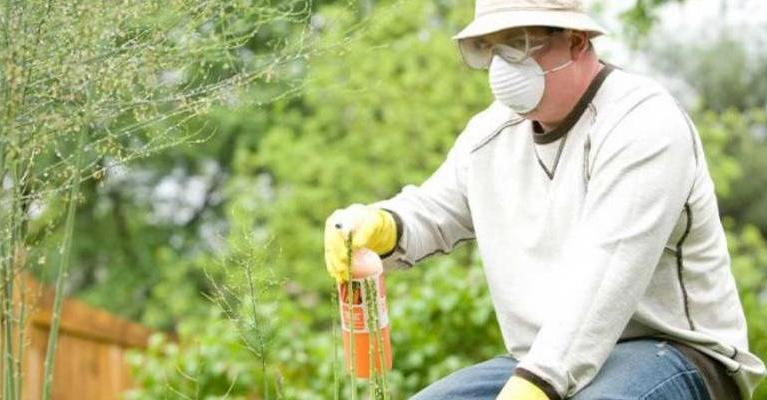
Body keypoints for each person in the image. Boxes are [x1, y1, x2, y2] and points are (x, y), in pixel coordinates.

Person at [323, 0, 766, 399]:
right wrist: (381, 223)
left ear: (575, 41)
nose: (501, 65)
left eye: (519, 43)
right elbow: (435, 211)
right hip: (544, 360)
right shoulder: (489, 135)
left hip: (674, 353)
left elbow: (607, 274)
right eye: (489, 48)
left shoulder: (642, 123)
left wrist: (535, 387)